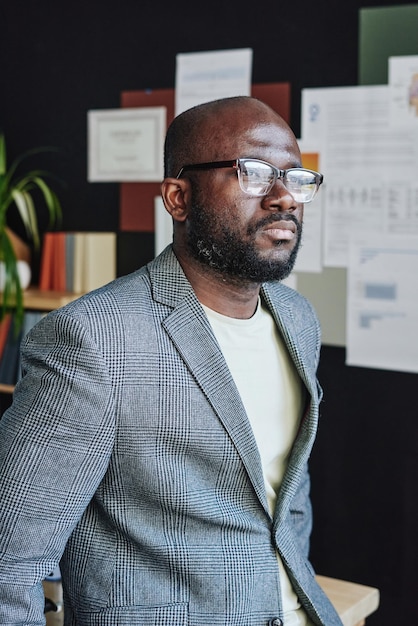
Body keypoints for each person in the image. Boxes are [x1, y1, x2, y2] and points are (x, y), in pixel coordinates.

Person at [0, 96, 342, 626]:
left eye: (296, 179)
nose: (283, 199)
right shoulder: (93, 339)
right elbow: (9, 562)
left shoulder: (298, 319)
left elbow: (284, 498)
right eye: (253, 173)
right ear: (178, 198)